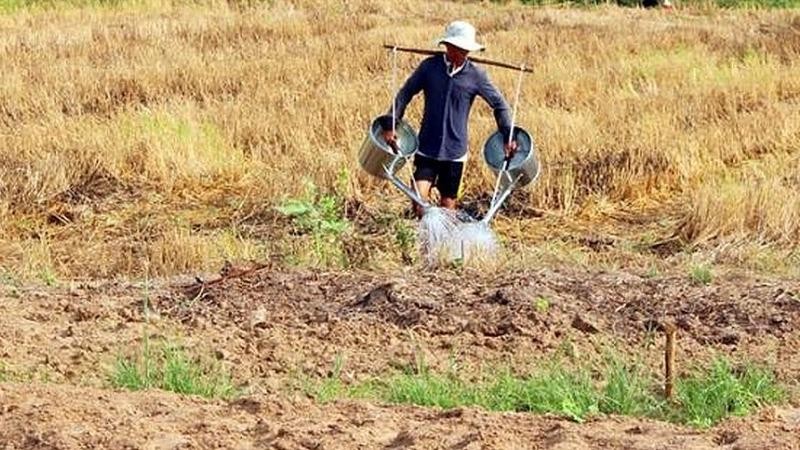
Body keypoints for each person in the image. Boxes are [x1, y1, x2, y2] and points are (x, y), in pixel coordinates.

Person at [380, 20, 518, 218]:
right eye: (459, 49)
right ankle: (425, 243)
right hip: (427, 147)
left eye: (466, 51)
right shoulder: (429, 68)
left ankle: (443, 246)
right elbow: (405, 93)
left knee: (448, 208)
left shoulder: (476, 75)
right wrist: (390, 122)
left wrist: (508, 133)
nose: (463, 54)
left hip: (455, 152)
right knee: (419, 202)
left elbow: (500, 105)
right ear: (447, 46)